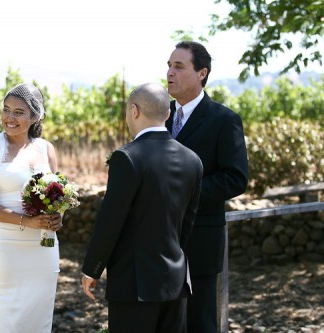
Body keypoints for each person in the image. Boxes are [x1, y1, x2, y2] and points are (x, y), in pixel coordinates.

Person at [81, 83, 203, 333]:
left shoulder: (127, 157)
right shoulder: (193, 160)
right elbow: (186, 225)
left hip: (134, 284)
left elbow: (110, 221)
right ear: (167, 114)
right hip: (175, 281)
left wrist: (92, 269)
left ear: (133, 111)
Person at [166, 41, 249, 333]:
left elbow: (235, 177)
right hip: (157, 241)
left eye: (179, 66)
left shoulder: (224, 120)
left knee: (200, 322)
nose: (169, 72)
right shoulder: (158, 117)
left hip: (200, 239)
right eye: (168, 65)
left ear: (202, 73)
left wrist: (184, 194)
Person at [0, 83, 63, 332]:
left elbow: (57, 195)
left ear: (35, 116)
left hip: (43, 248)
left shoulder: (47, 149)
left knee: (37, 318)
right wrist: (27, 222)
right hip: (4, 248)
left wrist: (57, 218)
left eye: (19, 112)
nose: (9, 118)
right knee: (3, 318)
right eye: (6, 110)